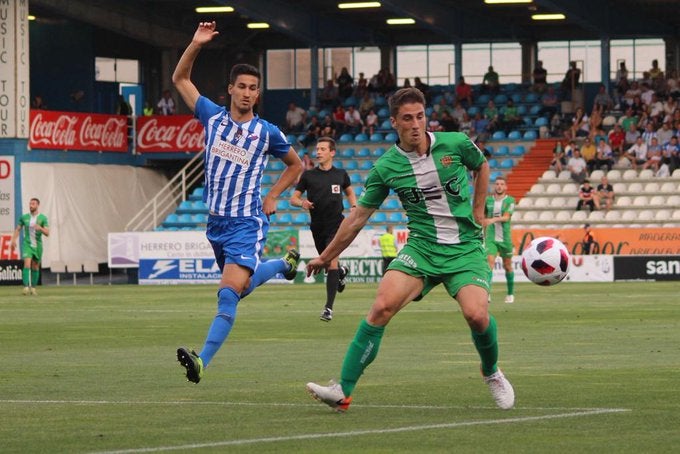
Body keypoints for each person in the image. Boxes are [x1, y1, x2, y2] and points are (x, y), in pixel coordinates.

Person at [304, 87, 515, 413]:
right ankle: (342, 390)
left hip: (464, 248)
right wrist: (326, 256)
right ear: (394, 123)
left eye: (420, 116)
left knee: (477, 315)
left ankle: (491, 372)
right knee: (381, 307)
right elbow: (357, 216)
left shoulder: (455, 143)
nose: (416, 124)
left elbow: (482, 165)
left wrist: (478, 212)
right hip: (421, 249)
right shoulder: (387, 167)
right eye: (407, 118)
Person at [172, 22, 304, 384]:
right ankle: (282, 265)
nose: (247, 93)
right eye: (242, 87)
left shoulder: (267, 133)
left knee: (228, 294)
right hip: (216, 225)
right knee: (241, 288)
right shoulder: (212, 117)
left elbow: (297, 165)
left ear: (257, 95)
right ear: (230, 89)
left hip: (247, 223)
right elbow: (181, 79)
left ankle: (202, 362)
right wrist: (196, 43)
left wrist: (273, 195)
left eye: (253, 89)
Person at [290, 137, 356, 322]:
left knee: (331, 262)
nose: (318, 152)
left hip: (337, 225)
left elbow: (349, 192)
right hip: (317, 227)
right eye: (317, 149)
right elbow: (293, 198)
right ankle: (341, 272)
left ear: (332, 152)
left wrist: (354, 206)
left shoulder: (341, 174)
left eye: (322, 149)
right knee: (328, 264)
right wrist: (302, 203)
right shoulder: (308, 176)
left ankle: (328, 308)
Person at [484, 176, 515, 304]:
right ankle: (487, 294)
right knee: (489, 264)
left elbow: (506, 218)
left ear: (505, 187)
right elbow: (484, 217)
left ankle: (510, 294)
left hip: (505, 239)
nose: (499, 186)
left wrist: (492, 220)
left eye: (502, 184)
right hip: (491, 238)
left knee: (507, 266)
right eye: (497, 184)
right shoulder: (488, 200)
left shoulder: (510, 201)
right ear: (494, 186)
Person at [10, 198, 49, 296]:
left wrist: (40, 228)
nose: (31, 205)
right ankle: (26, 287)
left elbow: (47, 233)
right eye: (30, 203)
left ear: (37, 205)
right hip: (27, 244)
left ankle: (33, 288)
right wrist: (13, 240)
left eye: (33, 204)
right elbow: (18, 229)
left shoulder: (43, 218)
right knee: (27, 264)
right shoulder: (24, 217)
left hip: (38, 246)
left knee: (35, 266)